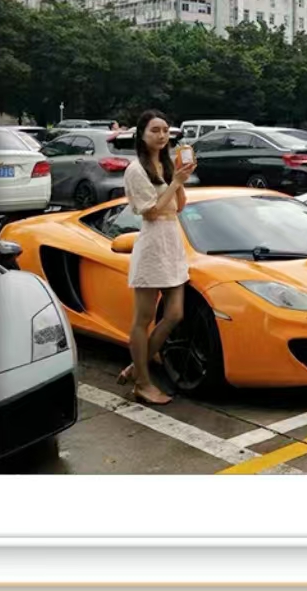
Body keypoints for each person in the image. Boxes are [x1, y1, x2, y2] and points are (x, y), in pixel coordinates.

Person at [118, 110, 195, 406]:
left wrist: (180, 178)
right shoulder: (136, 170)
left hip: (173, 243)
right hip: (152, 243)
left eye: (165, 130)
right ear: (141, 134)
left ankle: (135, 367)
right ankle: (142, 383)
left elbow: (180, 206)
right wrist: (175, 182)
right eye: (155, 130)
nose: (162, 135)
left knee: (175, 314)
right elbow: (150, 212)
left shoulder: (166, 164)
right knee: (143, 319)